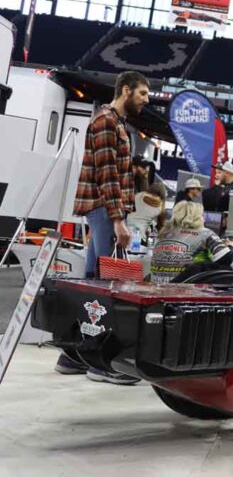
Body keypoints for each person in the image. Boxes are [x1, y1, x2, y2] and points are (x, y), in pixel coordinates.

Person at [57, 70, 149, 383]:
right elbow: (107, 176)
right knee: (103, 284)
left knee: (92, 281)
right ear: (126, 90)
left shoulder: (114, 122)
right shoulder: (107, 121)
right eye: (142, 94)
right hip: (103, 208)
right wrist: (119, 219)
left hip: (101, 208)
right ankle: (98, 362)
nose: (146, 100)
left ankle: (73, 356)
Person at [150, 200, 233, 284]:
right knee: (226, 268)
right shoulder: (205, 233)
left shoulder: (164, 232)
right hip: (183, 288)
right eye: (202, 216)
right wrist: (231, 247)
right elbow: (227, 258)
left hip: (156, 285)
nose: (204, 219)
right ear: (195, 218)